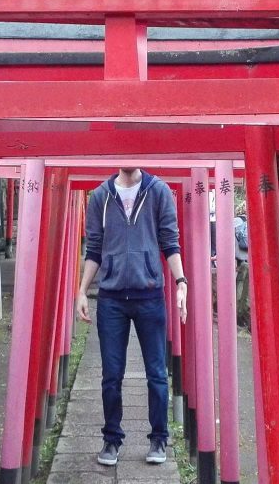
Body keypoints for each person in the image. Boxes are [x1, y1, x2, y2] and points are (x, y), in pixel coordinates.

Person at [75, 167, 188, 467]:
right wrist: (82, 290)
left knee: (156, 374)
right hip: (112, 299)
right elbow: (94, 250)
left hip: (150, 295)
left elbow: (170, 243)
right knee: (111, 375)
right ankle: (111, 440)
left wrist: (181, 282)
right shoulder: (100, 196)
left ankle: (158, 438)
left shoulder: (159, 192)